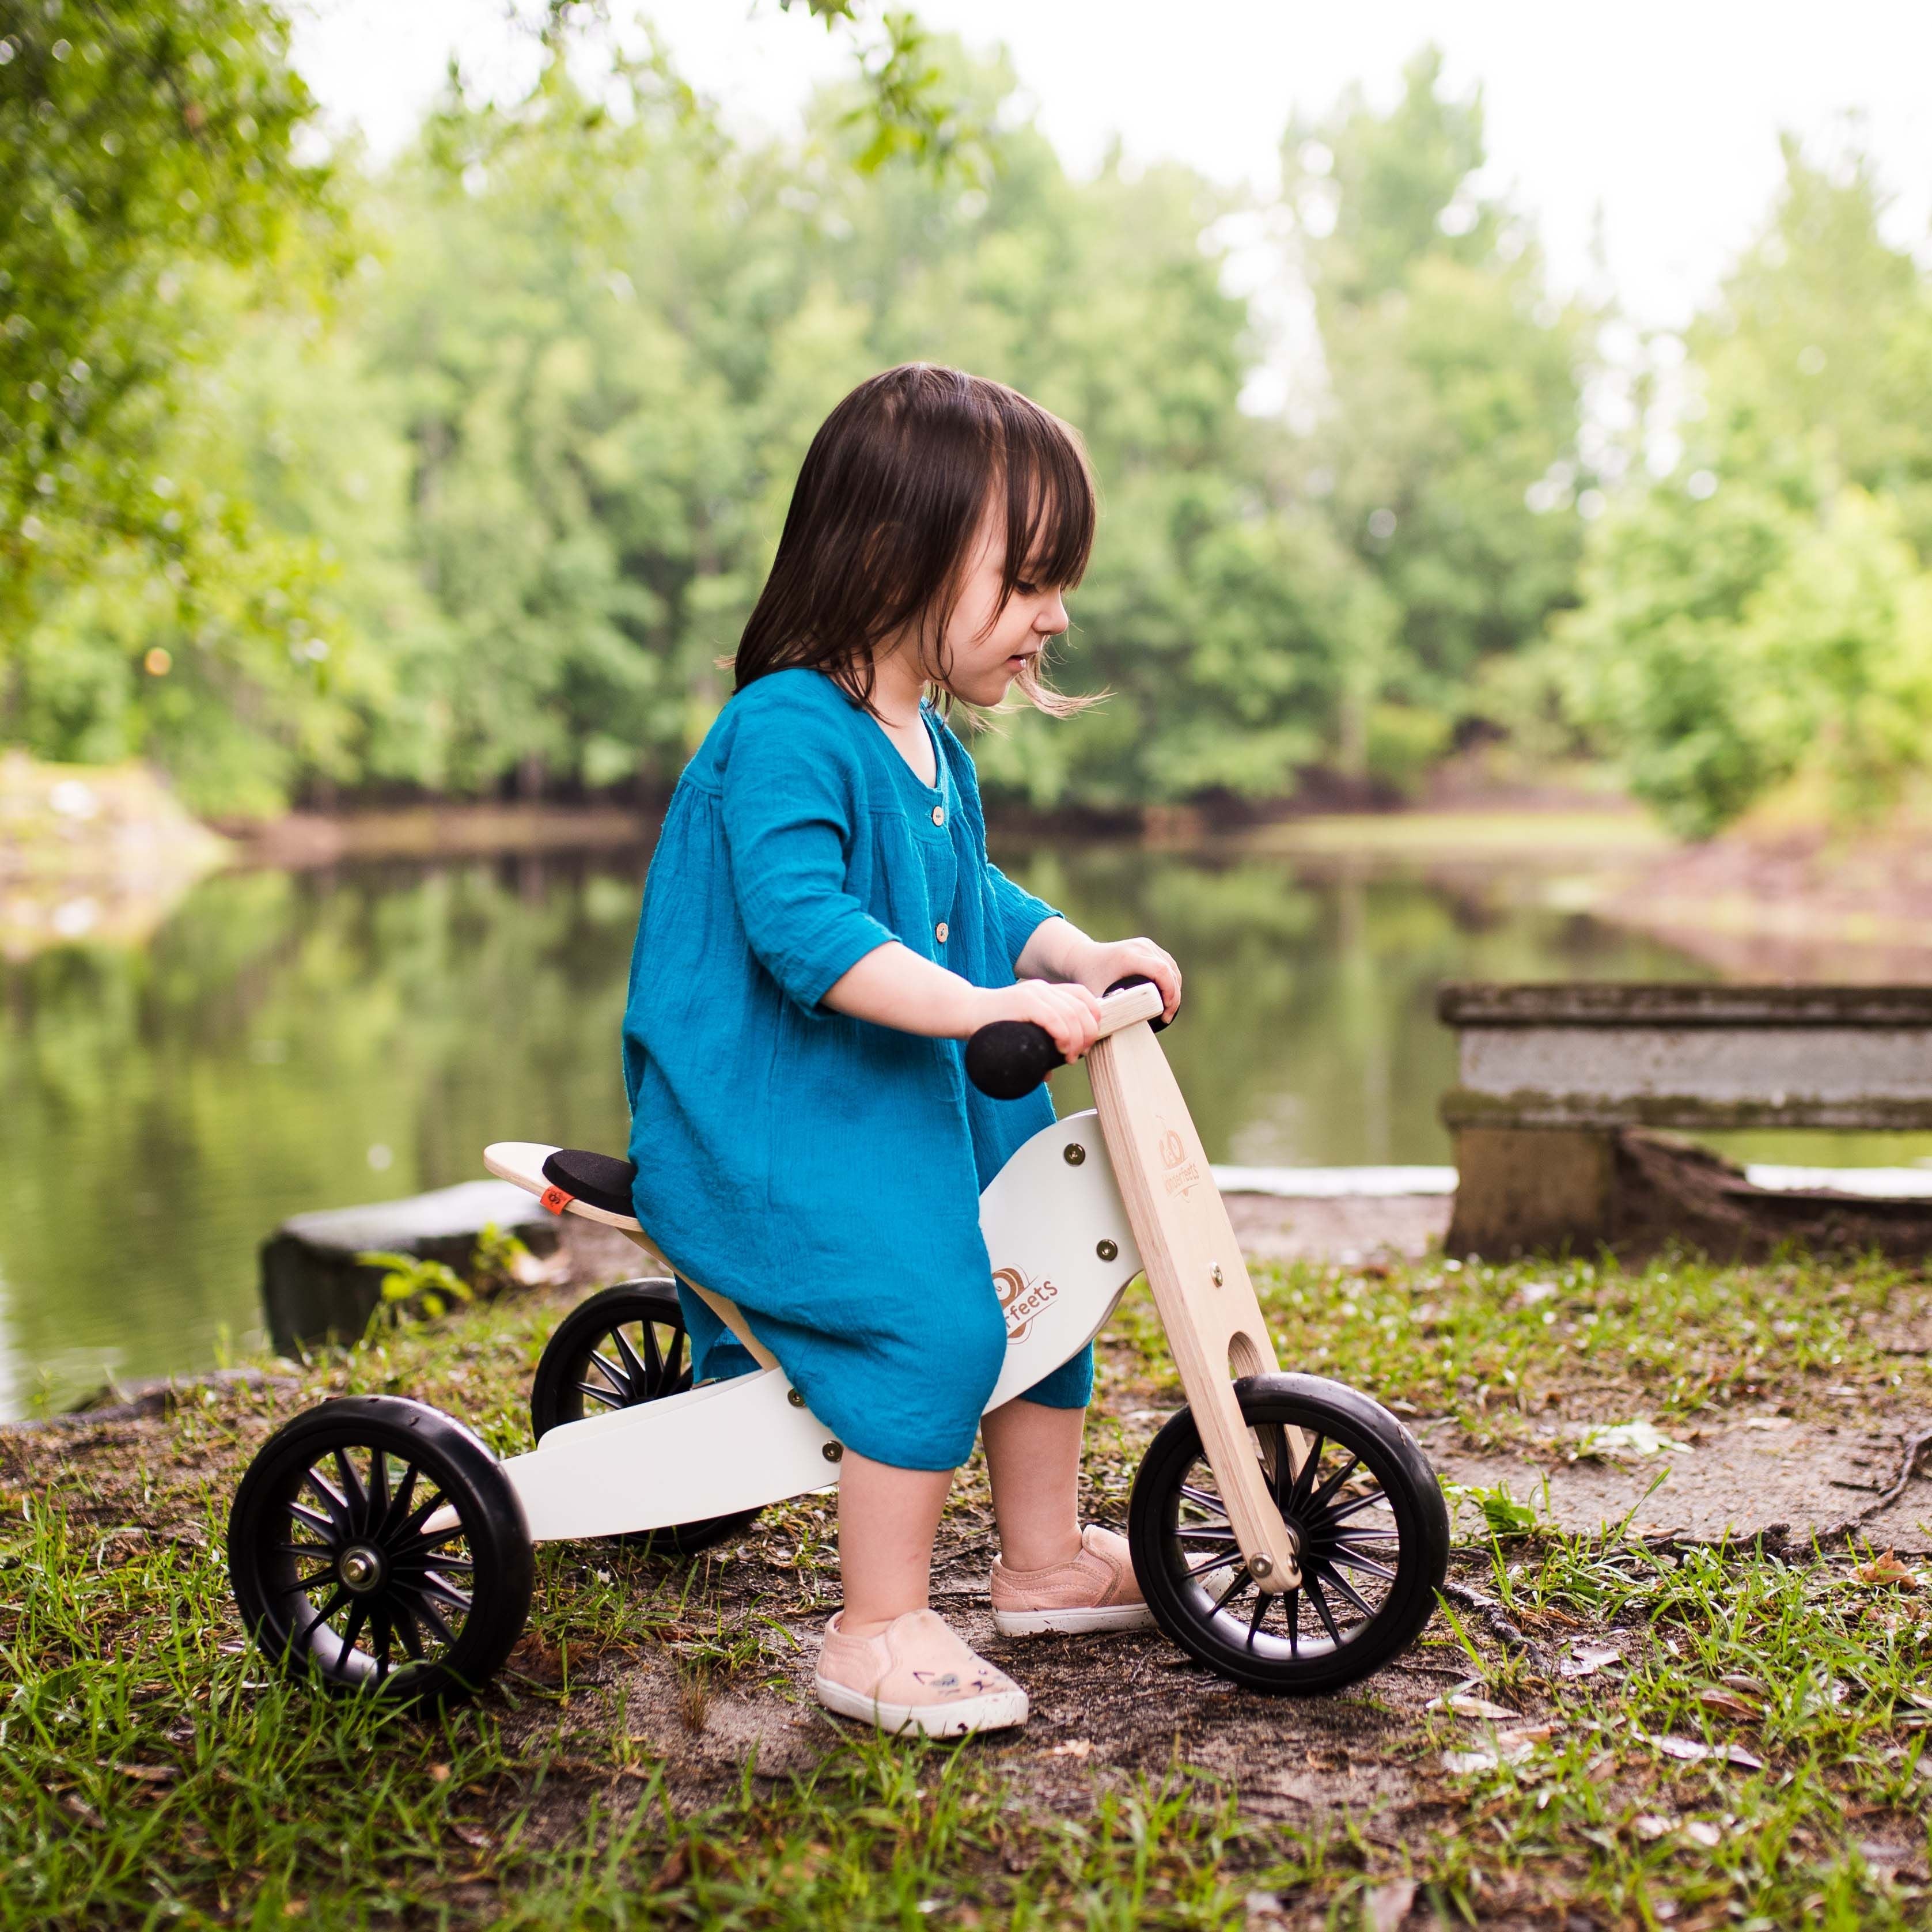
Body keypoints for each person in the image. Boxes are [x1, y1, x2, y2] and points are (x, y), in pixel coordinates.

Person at [621, 363, 1183, 1738]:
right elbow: (809, 932)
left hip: (880, 1087)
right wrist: (985, 1011)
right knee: (932, 1317)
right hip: (768, 1117)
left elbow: (968, 903)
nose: (1057, 613)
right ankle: (875, 1624)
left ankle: (1042, 1562)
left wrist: (1070, 959)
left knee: (1046, 1262)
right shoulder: (786, 732)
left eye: (1064, 580)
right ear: (892, 553)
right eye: (1030, 576)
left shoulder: (928, 741)